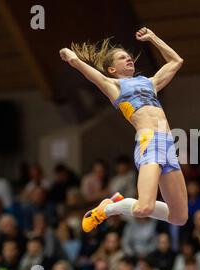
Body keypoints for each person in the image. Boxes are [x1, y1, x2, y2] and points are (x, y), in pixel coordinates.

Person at [60, 27, 188, 232]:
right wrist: (72, 58)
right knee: (143, 207)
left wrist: (153, 38)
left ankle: (115, 204)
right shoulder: (114, 86)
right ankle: (108, 208)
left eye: (129, 57)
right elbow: (91, 75)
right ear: (112, 69)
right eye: (122, 58)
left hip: (168, 145)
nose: (129, 59)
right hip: (150, 142)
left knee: (179, 217)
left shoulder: (150, 83)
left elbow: (176, 61)